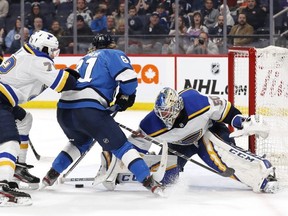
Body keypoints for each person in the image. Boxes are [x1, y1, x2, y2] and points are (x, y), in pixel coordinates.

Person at [41, 33, 164, 196]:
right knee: (122, 147)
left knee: (79, 142)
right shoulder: (113, 54)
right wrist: (124, 98)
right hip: (89, 111)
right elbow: (129, 80)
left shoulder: (83, 59)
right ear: (112, 45)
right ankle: (150, 182)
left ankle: (50, 176)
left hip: (64, 111)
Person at [100, 87, 279, 193]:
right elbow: (133, 149)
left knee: (221, 162)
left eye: (168, 113)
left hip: (207, 133)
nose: (165, 118)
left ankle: (263, 173)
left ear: (178, 106)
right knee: (166, 178)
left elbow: (226, 111)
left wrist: (243, 122)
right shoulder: (150, 124)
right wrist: (118, 166)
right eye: (162, 114)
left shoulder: (196, 101)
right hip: (178, 146)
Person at [0, 30, 79, 206]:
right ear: (43, 48)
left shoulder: (26, 54)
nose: (53, 54)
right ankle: (2, 186)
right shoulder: (38, 60)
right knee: (9, 141)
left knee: (24, 119)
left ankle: (17, 167)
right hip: (0, 100)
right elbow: (62, 84)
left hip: (5, 101)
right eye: (52, 50)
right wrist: (74, 76)